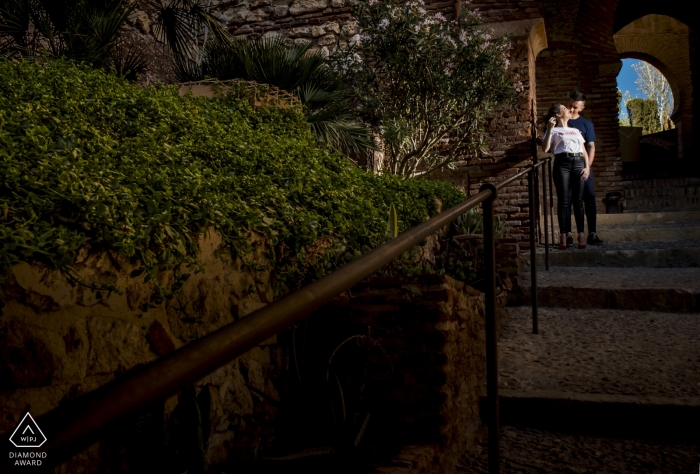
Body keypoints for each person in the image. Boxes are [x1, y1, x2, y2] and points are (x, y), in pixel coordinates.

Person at [541, 104, 591, 249]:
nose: (569, 110)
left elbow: (583, 150)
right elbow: (545, 148)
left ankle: (581, 235)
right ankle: (563, 236)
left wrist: (587, 167)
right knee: (563, 200)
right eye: (564, 108)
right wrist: (549, 129)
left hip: (579, 163)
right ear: (557, 114)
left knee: (578, 200)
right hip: (562, 163)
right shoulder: (553, 130)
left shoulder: (575, 130)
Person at [568, 91, 604, 246]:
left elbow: (591, 147)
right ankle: (568, 234)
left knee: (589, 198)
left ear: (581, 108)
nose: (571, 109)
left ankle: (592, 233)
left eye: (575, 107)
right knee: (567, 200)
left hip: (584, 167)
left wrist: (588, 167)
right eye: (569, 105)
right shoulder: (561, 122)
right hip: (567, 168)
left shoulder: (586, 124)